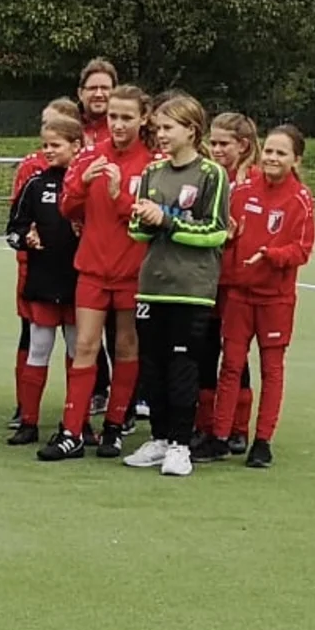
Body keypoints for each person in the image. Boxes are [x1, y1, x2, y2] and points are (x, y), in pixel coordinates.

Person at [120, 94, 230, 477]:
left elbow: (215, 232)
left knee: (183, 367)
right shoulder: (152, 173)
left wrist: (165, 222)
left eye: (168, 128)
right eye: (158, 128)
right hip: (152, 285)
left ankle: (181, 445)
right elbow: (135, 231)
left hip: (191, 288)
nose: (160, 134)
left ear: (191, 130)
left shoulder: (211, 174)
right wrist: (147, 221)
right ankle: (160, 437)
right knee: (151, 368)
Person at [45, 84, 154, 461]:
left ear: (144, 119)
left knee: (125, 346)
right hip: (92, 268)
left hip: (133, 271)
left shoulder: (151, 163)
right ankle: (72, 431)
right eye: (113, 117)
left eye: (127, 117)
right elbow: (68, 207)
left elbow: (147, 218)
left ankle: (115, 426)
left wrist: (118, 195)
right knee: (85, 346)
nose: (119, 124)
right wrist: (82, 182)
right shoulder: (91, 156)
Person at [213, 125, 312, 470]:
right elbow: (229, 233)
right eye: (268, 151)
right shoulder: (243, 190)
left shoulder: (300, 198)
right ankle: (220, 436)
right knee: (230, 366)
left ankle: (262, 441)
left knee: (272, 371)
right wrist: (227, 237)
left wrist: (271, 255)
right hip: (240, 295)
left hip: (276, 300)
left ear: (295, 159)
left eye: (281, 153)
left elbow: (302, 250)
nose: (272, 158)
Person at [4, 114, 83, 446]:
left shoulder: (87, 184)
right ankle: (29, 421)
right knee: (38, 349)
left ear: (76, 146)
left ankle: (76, 422)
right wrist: (26, 239)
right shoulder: (35, 185)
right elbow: (13, 230)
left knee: (80, 352)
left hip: (80, 283)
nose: (48, 151)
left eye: (56, 145)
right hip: (43, 280)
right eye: (45, 145)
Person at [204, 112, 262, 452]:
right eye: (212, 142)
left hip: (236, 283)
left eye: (223, 143)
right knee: (206, 350)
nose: (216, 149)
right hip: (206, 279)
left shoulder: (254, 181)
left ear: (243, 145)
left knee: (235, 356)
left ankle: (239, 427)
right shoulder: (209, 176)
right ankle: (207, 424)